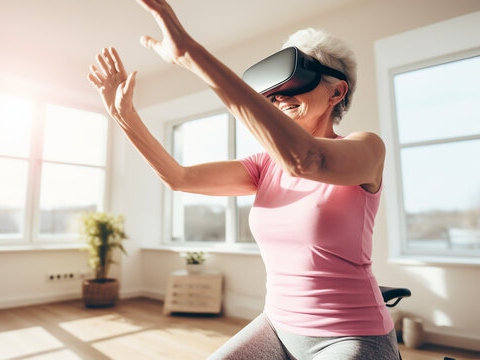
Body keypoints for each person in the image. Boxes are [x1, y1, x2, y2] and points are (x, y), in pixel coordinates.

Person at [88, 1, 400, 359]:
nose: (281, 96)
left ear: (336, 92)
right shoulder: (264, 165)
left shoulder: (366, 150)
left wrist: (190, 55)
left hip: (350, 334)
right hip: (277, 324)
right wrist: (125, 117)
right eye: (275, 89)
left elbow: (307, 159)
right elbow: (179, 177)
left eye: (296, 82)